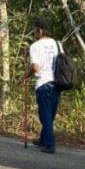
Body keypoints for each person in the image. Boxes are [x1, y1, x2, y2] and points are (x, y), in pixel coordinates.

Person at [21, 17, 60, 154]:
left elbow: (36, 67)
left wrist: (26, 76)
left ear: (40, 30)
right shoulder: (57, 44)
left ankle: (49, 145)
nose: (34, 33)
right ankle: (44, 139)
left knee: (45, 116)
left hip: (43, 83)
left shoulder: (35, 46)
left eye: (35, 30)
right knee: (50, 115)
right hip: (57, 83)